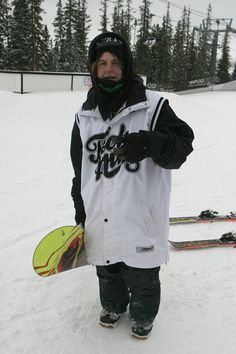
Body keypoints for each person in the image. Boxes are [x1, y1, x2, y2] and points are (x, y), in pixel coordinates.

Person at [70, 32, 194, 339]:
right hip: (100, 217)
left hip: (141, 218)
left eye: (115, 62)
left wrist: (150, 143)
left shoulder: (153, 107)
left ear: (127, 66)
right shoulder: (84, 117)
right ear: (93, 69)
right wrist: (81, 214)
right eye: (102, 63)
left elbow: (183, 145)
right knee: (107, 270)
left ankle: (142, 315)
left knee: (143, 276)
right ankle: (113, 305)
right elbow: (79, 172)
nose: (109, 69)